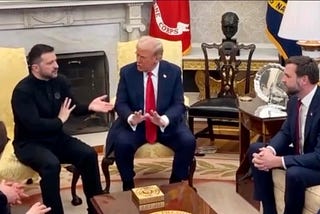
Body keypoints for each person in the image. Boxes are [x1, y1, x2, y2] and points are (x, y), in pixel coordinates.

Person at [11, 44, 114, 214]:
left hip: (56, 138)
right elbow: (33, 125)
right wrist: (59, 120)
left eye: (56, 60)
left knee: (88, 154)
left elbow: (71, 107)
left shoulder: (59, 81)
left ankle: (96, 209)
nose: (56, 65)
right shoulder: (23, 91)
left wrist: (90, 106)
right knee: (51, 165)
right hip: (29, 143)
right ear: (35, 67)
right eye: (50, 62)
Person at [106, 36, 196, 191]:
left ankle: (175, 182)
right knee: (122, 143)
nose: (138, 60)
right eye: (137, 55)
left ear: (157, 58)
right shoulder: (127, 72)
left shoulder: (173, 72)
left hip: (164, 124)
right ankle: (128, 184)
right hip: (137, 125)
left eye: (142, 57)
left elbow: (178, 104)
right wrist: (130, 118)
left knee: (188, 141)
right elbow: (121, 103)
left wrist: (164, 119)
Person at [248, 55, 320, 214]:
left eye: (287, 76)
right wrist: (270, 151)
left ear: (304, 80)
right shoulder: (294, 101)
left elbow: (318, 157)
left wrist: (278, 161)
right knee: (256, 150)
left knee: (295, 173)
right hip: (302, 154)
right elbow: (286, 132)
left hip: (317, 163)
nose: (282, 80)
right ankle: (269, 210)